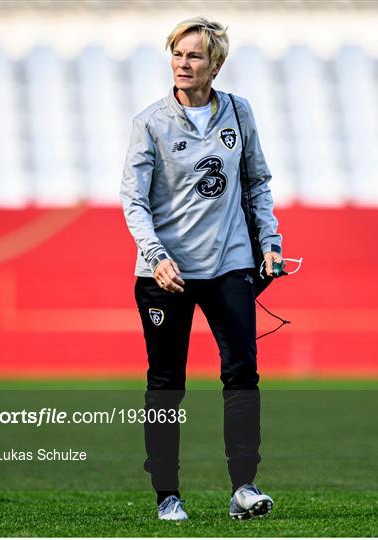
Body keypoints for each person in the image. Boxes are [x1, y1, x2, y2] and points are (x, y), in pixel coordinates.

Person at [120, 16, 283, 521]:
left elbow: (257, 182)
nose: (183, 63)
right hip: (165, 275)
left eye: (194, 56)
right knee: (166, 380)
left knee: (242, 374)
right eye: (177, 53)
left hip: (231, 265)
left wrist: (271, 243)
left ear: (215, 64)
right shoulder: (150, 122)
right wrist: (156, 257)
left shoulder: (239, 111)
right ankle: (168, 494)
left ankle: (244, 488)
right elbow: (133, 200)